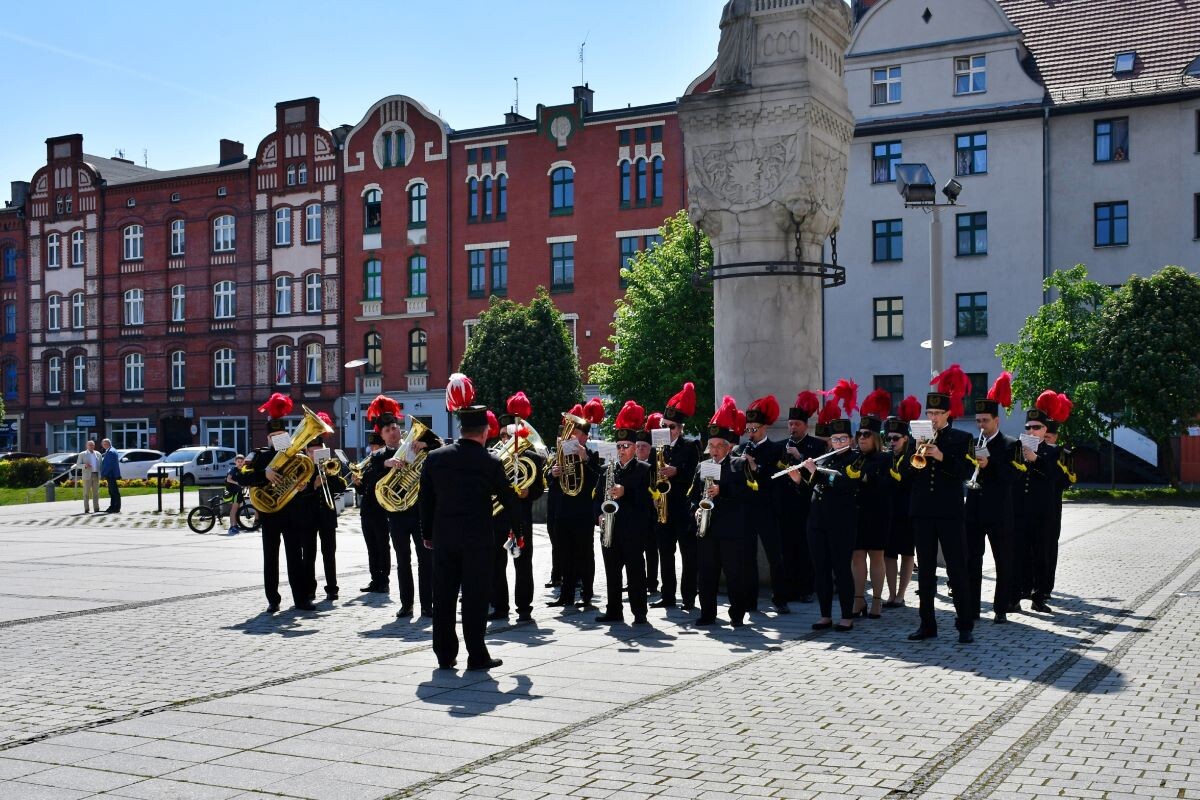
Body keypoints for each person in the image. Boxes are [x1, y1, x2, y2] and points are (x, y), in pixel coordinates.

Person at [421, 373, 522, 671]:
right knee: (475, 599)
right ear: (485, 432)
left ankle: (444, 654)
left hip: (443, 538)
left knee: (444, 596)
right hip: (478, 540)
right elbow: (509, 499)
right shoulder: (490, 461)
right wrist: (518, 531)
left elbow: (425, 500)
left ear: (463, 429)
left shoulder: (436, 458)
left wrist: (427, 533)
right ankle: (477, 655)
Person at [906, 366, 977, 644]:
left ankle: (964, 624)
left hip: (949, 512)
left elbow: (965, 472)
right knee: (924, 570)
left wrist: (941, 456)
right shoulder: (918, 440)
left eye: (937, 413)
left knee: (957, 567)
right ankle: (927, 624)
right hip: (923, 512)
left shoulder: (962, 439)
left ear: (948, 414)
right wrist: (917, 450)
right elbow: (908, 475)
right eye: (929, 413)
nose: (933, 418)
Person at [234, 393, 314, 612]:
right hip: (269, 514)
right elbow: (238, 476)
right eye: (274, 435)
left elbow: (305, 478)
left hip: (292, 512)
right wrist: (264, 473)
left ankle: (301, 598)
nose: (278, 438)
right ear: (268, 438)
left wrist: (302, 486)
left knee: (295, 557)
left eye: (282, 434)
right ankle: (273, 599)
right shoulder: (258, 456)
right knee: (271, 558)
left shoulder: (295, 456)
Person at [790, 396, 863, 632]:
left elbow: (843, 483)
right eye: (834, 439)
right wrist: (799, 479)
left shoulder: (856, 459)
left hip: (841, 522)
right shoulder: (827, 457)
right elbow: (814, 487)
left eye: (843, 438)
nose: (838, 442)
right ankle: (824, 615)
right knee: (820, 569)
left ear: (850, 440)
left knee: (841, 569)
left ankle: (846, 616)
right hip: (817, 520)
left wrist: (816, 471)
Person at [692, 396, 754, 628]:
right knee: (706, 574)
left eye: (720, 446)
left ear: (728, 447)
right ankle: (707, 614)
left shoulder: (738, 464)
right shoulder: (702, 465)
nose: (715, 450)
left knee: (734, 574)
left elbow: (748, 493)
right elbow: (692, 494)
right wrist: (696, 511)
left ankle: (737, 614)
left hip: (731, 529)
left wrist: (723, 489)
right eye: (712, 446)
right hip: (707, 529)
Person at [964, 374, 1020, 624]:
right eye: (977, 421)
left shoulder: (1010, 444)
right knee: (972, 560)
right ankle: (973, 607)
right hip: (975, 510)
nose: (981, 425)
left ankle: (1000, 608)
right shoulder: (973, 443)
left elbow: (1012, 476)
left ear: (996, 420)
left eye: (985, 421)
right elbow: (966, 472)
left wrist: (989, 464)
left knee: (1003, 561)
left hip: (999, 511)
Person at [594, 401, 654, 625]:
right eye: (619, 446)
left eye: (626, 446)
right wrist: (598, 515)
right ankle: (614, 610)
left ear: (634, 448)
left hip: (633, 529)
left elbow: (647, 501)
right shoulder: (606, 469)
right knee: (612, 572)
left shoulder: (644, 469)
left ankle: (640, 612)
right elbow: (596, 497)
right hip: (609, 528)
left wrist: (625, 492)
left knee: (636, 572)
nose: (621, 450)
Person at [489, 393, 546, 624]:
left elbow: (539, 489)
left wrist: (527, 492)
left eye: (508, 435)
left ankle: (524, 608)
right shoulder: (493, 457)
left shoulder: (531, 457)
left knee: (523, 562)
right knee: (496, 562)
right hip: (498, 515)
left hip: (521, 516)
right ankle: (500, 606)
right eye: (502, 435)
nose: (504, 439)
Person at [548, 398, 604, 610]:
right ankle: (566, 594)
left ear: (585, 436)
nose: (571, 435)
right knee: (564, 553)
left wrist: (585, 459)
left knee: (584, 553)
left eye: (576, 433)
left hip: (582, 511)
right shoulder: (561, 455)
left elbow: (597, 480)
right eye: (570, 432)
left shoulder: (593, 455)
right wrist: (554, 473)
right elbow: (551, 481)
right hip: (563, 510)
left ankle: (587, 594)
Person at [651, 382, 700, 610]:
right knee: (665, 555)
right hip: (662, 508)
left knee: (688, 555)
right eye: (664, 425)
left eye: (671, 427)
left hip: (682, 507)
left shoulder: (691, 446)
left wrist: (676, 471)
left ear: (680, 428)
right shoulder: (657, 447)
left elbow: (694, 473)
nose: (666, 429)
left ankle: (688, 597)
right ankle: (668, 595)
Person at [1014, 391, 1064, 614]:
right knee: (1021, 552)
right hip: (1021, 510)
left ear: (1045, 430)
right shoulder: (1017, 449)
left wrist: (1036, 460)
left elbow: (1056, 477)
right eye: (1028, 427)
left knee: (1042, 553)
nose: (1031, 431)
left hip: (1043, 512)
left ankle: (1040, 595)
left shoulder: (1054, 452)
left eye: (1036, 427)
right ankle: (1019, 592)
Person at [738, 395, 788, 614]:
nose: (751, 433)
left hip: (768, 509)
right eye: (748, 429)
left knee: (774, 555)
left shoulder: (777, 449)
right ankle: (750, 600)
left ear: (764, 427)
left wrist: (757, 468)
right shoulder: (741, 449)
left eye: (755, 428)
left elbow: (779, 477)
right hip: (747, 510)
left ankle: (780, 598)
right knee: (747, 557)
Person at [776, 391, 825, 604]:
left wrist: (801, 457)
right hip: (786, 505)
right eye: (790, 424)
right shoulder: (781, 445)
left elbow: (818, 472)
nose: (792, 428)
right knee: (787, 548)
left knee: (805, 548)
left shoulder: (816, 445)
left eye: (796, 424)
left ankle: (807, 588)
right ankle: (790, 588)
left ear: (805, 425)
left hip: (806, 504)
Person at [852, 390, 893, 620]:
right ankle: (859, 599)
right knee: (857, 556)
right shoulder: (855, 456)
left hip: (878, 513)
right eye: (859, 434)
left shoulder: (885, 458)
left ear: (876, 437)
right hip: (857, 512)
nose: (862, 438)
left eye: (867, 434)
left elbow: (885, 485)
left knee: (876, 556)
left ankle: (877, 600)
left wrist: (866, 476)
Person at [355, 396, 402, 595]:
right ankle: (376, 578)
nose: (392, 432)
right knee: (371, 546)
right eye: (387, 430)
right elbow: (369, 480)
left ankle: (384, 580)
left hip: (386, 508)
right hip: (369, 508)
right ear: (381, 435)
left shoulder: (402, 451)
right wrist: (358, 483)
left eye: (394, 428)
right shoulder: (376, 457)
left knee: (383, 545)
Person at [881, 397, 921, 608]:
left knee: (907, 553)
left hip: (907, 510)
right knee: (889, 554)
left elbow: (911, 478)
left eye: (896, 438)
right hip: (889, 510)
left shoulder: (913, 456)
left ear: (906, 438)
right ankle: (891, 592)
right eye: (889, 438)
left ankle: (901, 594)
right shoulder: (885, 456)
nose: (892, 442)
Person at [300, 425, 346, 602]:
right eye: (313, 452)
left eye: (319, 451)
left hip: (327, 517)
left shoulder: (329, 467)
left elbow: (340, 488)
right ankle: (309, 589)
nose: (316, 455)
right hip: (308, 518)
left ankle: (332, 588)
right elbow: (298, 494)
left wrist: (330, 477)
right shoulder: (302, 469)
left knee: (329, 554)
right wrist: (314, 485)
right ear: (307, 452)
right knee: (309, 555)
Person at [1043, 396, 1076, 604]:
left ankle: (1046, 586)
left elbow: (1067, 481)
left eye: (1049, 436)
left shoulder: (1063, 454)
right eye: (1042, 434)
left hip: (1052, 505)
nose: (1045, 438)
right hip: (1029, 508)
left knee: (1048, 547)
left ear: (1055, 436)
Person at [634, 422, 659, 596]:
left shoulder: (654, 465)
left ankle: (651, 582)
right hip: (634, 512)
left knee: (651, 550)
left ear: (650, 449)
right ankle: (635, 581)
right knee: (635, 551)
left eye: (644, 446)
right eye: (638, 446)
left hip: (651, 512)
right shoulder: (631, 464)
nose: (640, 449)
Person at [76, 440, 101, 514]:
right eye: (90, 445)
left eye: (93, 445)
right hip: (87, 476)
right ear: (86, 446)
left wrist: (101, 474)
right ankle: (86, 509)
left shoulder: (98, 454)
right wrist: (85, 466)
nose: (91, 446)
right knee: (86, 493)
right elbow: (78, 465)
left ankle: (96, 508)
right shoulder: (82, 454)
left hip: (96, 475)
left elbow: (100, 465)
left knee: (96, 493)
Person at [225, 454, 247, 534]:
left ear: (244, 462)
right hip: (234, 492)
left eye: (241, 462)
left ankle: (235, 524)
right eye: (238, 462)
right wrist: (237, 483)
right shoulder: (233, 470)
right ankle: (232, 526)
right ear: (235, 462)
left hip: (239, 492)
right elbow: (228, 479)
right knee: (234, 510)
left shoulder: (242, 470)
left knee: (237, 509)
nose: (240, 463)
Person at [99, 439, 121, 513]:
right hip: (111, 474)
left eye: (105, 444)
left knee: (113, 491)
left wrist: (103, 474)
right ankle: (113, 506)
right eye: (103, 444)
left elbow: (108, 465)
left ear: (108, 444)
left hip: (111, 475)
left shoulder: (111, 452)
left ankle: (115, 507)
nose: (104, 445)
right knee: (113, 491)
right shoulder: (111, 450)